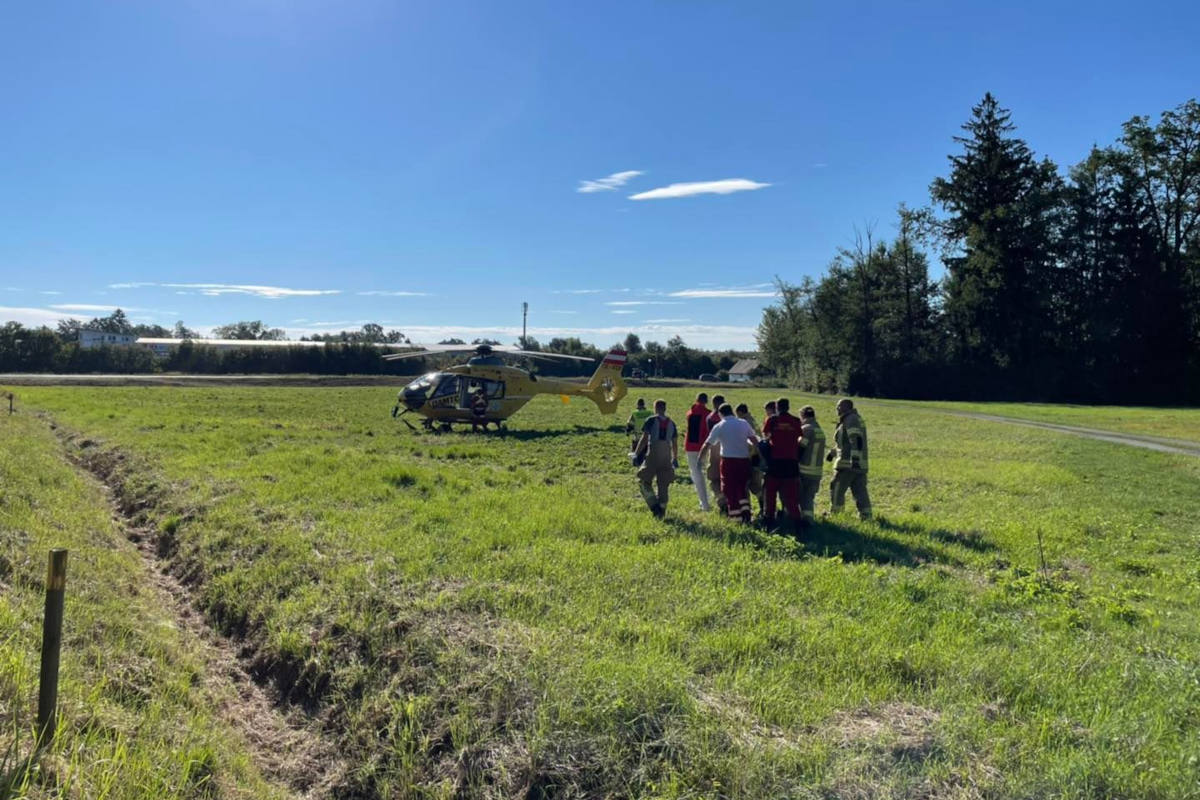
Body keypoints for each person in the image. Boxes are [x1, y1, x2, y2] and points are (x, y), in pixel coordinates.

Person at [699, 403, 759, 523]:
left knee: (729, 489)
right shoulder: (743, 423)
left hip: (728, 461)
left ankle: (736, 518)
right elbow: (754, 440)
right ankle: (746, 514)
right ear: (732, 411)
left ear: (720, 414)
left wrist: (700, 458)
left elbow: (708, 444)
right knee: (742, 487)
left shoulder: (720, 425)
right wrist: (760, 455)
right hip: (744, 460)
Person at [762, 397, 803, 531]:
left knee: (770, 492)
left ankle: (769, 519)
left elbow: (766, 437)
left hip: (775, 461)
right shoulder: (796, 421)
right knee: (791, 493)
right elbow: (799, 437)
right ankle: (797, 521)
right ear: (788, 407)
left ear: (777, 407)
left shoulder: (772, 420)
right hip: (791, 462)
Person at [633, 399, 678, 518]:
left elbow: (644, 438)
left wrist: (636, 453)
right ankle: (662, 509)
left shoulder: (651, 420)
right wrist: (675, 458)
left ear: (655, 408)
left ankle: (654, 506)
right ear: (665, 408)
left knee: (643, 481)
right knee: (663, 483)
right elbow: (674, 443)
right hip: (667, 453)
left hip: (653, 452)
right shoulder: (672, 423)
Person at [828, 398, 871, 519]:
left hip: (848, 464)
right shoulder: (854, 418)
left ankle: (836, 515)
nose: (837, 409)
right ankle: (866, 515)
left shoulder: (850, 419)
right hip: (860, 464)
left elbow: (855, 439)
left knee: (836, 487)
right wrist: (833, 453)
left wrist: (854, 459)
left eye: (838, 406)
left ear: (845, 407)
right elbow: (845, 442)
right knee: (860, 491)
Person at [796, 404, 827, 527]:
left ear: (803, 415)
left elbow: (801, 447)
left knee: (799, 495)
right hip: (817, 471)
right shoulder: (820, 430)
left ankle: (799, 520)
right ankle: (808, 520)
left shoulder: (807, 429)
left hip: (804, 469)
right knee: (809, 497)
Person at [683, 393, 712, 511]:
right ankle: (705, 500)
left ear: (696, 400)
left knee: (696, 473)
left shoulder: (690, 413)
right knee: (700, 472)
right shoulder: (708, 414)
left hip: (691, 447)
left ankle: (704, 503)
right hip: (704, 446)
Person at [735, 403, 765, 517]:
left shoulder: (746, 423)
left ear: (741, 413)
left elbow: (750, 443)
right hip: (757, 458)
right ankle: (763, 507)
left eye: (738, 414)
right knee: (756, 485)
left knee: (747, 485)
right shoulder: (753, 421)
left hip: (751, 459)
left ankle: (747, 511)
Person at [704, 394, 727, 512]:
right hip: (729, 448)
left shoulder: (710, 417)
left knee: (714, 479)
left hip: (715, 448)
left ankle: (721, 501)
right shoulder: (729, 417)